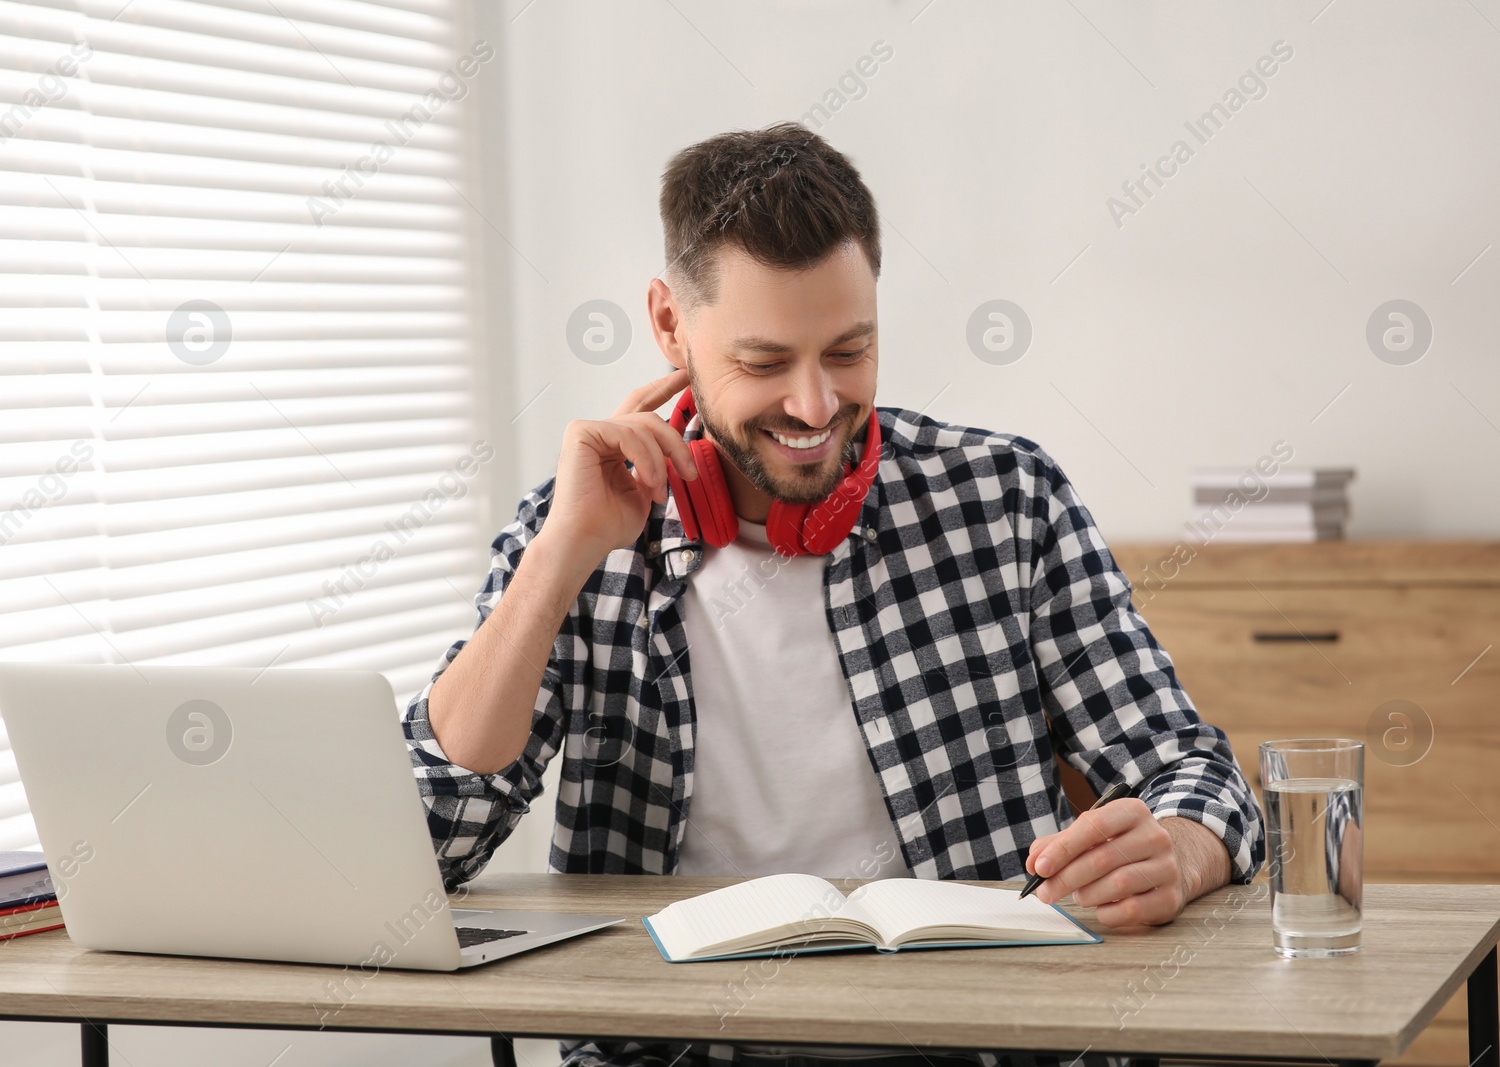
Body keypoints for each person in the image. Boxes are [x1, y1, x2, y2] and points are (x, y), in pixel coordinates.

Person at [404, 121, 1264, 1067]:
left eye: (849, 351)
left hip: (981, 1046)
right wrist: (561, 556)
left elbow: (1197, 770)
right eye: (765, 363)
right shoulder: (575, 528)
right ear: (668, 325)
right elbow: (424, 844)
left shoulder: (1006, 499)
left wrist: (1181, 849)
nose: (815, 407)